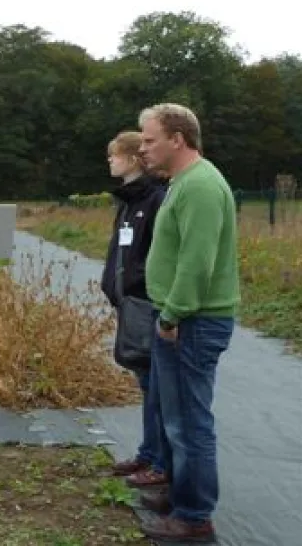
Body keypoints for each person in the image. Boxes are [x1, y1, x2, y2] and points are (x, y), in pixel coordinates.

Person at [136, 103, 240, 543]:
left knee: (188, 422)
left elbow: (197, 262)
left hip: (191, 322)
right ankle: (178, 495)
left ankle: (194, 514)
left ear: (177, 139)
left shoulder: (199, 186)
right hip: (179, 318)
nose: (142, 148)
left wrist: (174, 314)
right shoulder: (183, 183)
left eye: (149, 139)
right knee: (171, 414)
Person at [98, 132, 169, 488]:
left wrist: (135, 284)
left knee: (156, 383)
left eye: (115, 155)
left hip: (146, 303)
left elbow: (154, 253)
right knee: (145, 381)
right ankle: (148, 452)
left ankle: (159, 461)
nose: (110, 161)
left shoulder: (155, 198)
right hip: (130, 303)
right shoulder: (128, 201)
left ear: (133, 159)